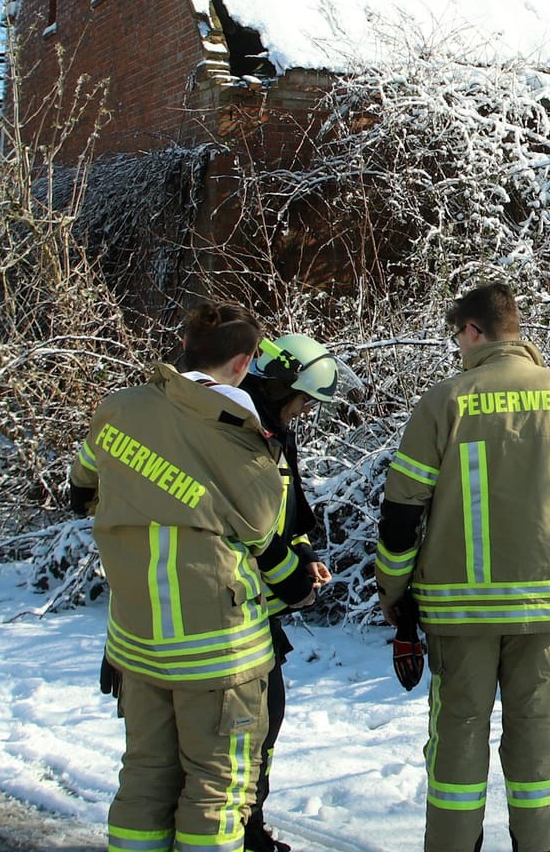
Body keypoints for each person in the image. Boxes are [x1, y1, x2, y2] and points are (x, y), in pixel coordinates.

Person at [376, 282, 550, 852]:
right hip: (549, 606)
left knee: (458, 736)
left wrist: (394, 588)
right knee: (536, 734)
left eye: (455, 337)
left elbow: (401, 512)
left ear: (471, 332)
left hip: (459, 613)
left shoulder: (445, 401)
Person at [70, 301, 318, 852]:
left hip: (136, 640)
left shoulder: (118, 409)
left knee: (143, 782)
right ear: (243, 362)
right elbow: (262, 539)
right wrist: (299, 585)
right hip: (218, 650)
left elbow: (80, 488)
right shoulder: (242, 442)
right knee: (217, 792)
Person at [239, 334, 352, 852]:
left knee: (264, 728)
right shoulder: (240, 435)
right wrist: (291, 577)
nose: (306, 412)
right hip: (232, 616)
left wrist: (304, 556)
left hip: (260, 617)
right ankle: (239, 834)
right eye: (304, 399)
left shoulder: (275, 433)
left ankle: (248, 828)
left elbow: (288, 514)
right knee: (245, 737)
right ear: (280, 383)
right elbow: (248, 530)